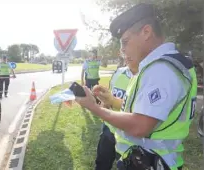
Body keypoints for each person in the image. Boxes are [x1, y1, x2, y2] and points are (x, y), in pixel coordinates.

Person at [76, 3, 197, 170]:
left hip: (150, 161)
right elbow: (144, 110)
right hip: (147, 160)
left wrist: (93, 107)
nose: (123, 50)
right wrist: (111, 100)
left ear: (146, 32)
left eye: (125, 42)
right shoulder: (159, 66)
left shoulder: (161, 69)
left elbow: (140, 125)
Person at [95, 55, 138, 170]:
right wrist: (103, 102)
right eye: (122, 46)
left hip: (128, 136)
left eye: (127, 43)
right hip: (109, 129)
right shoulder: (119, 72)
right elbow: (110, 97)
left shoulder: (147, 77)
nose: (124, 51)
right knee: (102, 164)